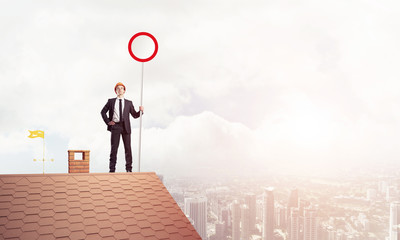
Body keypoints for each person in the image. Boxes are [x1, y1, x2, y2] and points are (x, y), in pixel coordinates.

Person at [101, 82, 144, 172]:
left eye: (121, 88)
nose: (120, 90)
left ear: (124, 91)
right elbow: (103, 112)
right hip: (115, 126)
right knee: (114, 148)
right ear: (115, 91)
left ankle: (129, 169)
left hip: (126, 127)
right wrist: (108, 122)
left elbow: (134, 115)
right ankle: (112, 169)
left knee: (128, 148)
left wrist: (141, 111)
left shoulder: (129, 103)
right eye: (118, 88)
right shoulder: (111, 101)